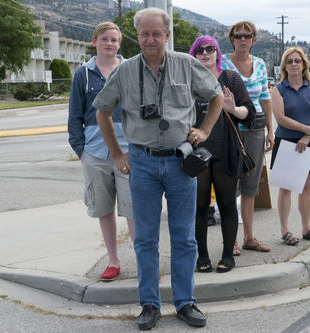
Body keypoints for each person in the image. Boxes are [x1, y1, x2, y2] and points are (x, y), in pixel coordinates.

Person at [93, 8, 224, 330]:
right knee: (145, 239)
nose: (150, 40)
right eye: (144, 34)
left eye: (156, 33)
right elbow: (102, 111)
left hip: (180, 162)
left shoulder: (186, 64)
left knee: (184, 237)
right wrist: (117, 154)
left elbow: (216, 96)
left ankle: (185, 302)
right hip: (142, 162)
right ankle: (149, 303)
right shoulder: (124, 72)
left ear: (167, 35)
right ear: (138, 36)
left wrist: (204, 130)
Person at [68, 22, 134, 282]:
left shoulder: (130, 70)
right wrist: (82, 151)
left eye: (114, 40)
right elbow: (75, 117)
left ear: (119, 44)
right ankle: (113, 261)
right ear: (94, 41)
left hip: (128, 152)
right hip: (95, 153)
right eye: (105, 39)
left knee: (134, 210)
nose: (110, 43)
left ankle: (144, 262)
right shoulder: (83, 74)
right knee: (104, 210)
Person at [188, 36, 255, 273]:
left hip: (226, 150)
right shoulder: (187, 79)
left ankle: (228, 255)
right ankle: (202, 256)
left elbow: (250, 112)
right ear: (193, 54)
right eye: (200, 50)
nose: (205, 53)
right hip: (196, 152)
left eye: (210, 49)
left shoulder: (230, 78)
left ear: (217, 53)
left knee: (227, 205)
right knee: (199, 207)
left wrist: (233, 108)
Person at [221, 21, 273, 254]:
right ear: (232, 39)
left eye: (247, 35)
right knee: (230, 184)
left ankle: (249, 237)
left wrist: (271, 130)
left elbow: (265, 99)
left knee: (252, 184)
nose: (243, 39)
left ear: (253, 39)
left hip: (255, 129)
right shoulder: (221, 62)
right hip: (230, 130)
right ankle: (230, 240)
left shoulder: (260, 64)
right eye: (238, 35)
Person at [271, 47, 310, 245]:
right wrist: (304, 129)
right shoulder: (278, 89)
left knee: (305, 187)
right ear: (285, 66)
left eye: (298, 61)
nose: (294, 64)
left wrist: (307, 137)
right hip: (286, 141)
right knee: (286, 187)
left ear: (304, 65)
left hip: (309, 141)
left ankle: (306, 228)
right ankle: (285, 231)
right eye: (290, 61)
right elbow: (280, 118)